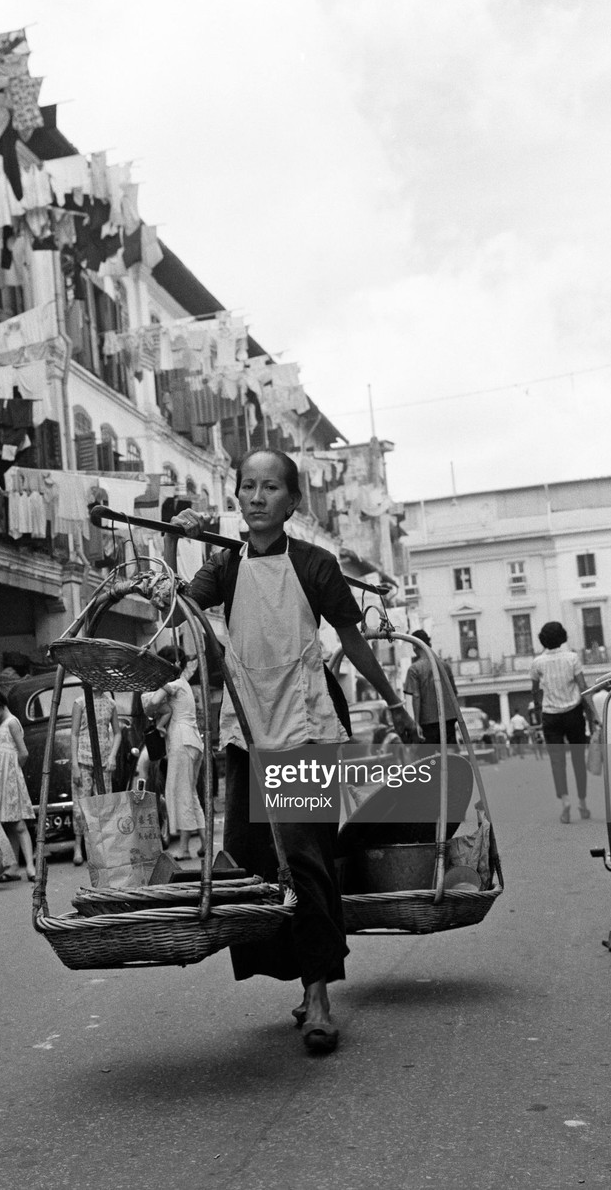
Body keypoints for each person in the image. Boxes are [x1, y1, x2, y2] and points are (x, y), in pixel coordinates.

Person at [168, 449, 419, 1055]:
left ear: (293, 500)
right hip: (247, 731)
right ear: (237, 497)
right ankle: (300, 980)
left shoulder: (315, 563)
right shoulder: (224, 565)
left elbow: (353, 641)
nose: (257, 497)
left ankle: (321, 995)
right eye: (248, 486)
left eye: (271, 486)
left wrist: (393, 703)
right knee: (257, 864)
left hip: (305, 729)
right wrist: (184, 545)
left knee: (305, 858)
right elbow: (183, 613)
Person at [141, 646, 207, 861]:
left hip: (181, 739)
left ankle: (185, 847)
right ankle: (205, 843)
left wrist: (151, 711)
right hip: (194, 741)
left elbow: (152, 702)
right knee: (192, 793)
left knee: (182, 793)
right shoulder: (184, 684)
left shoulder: (174, 684)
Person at [531, 621, 600, 823]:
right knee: (578, 759)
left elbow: (535, 690)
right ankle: (583, 803)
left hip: (550, 716)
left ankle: (565, 802)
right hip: (573, 714)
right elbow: (583, 688)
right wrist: (594, 713)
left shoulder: (537, 663)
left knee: (557, 762)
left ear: (543, 639)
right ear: (562, 637)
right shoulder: (572, 658)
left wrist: (539, 706)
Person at [0, 686, 37, 881]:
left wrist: (13, 771)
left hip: (10, 779)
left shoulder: (12, 723)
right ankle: (12, 866)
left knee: (18, 823)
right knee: (8, 824)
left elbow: (24, 752)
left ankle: (30, 865)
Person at [70, 688, 122, 867]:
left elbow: (117, 732)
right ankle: (78, 846)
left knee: (103, 804)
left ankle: (101, 849)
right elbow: (74, 733)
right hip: (83, 758)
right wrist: (75, 764)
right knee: (80, 806)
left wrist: (113, 755)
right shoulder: (80, 702)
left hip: (104, 760)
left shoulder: (111, 704)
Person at [403, 630, 459, 746]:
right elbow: (453, 692)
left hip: (428, 721)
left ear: (414, 646)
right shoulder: (444, 666)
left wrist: (417, 723)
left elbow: (416, 696)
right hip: (448, 718)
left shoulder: (414, 669)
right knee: (450, 754)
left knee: (430, 757)